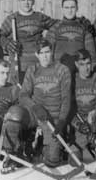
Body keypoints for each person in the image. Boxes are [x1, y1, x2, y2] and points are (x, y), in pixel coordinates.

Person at [19, 38, 72, 168]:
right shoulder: (32, 70)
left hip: (52, 119)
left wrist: (61, 121)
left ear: (52, 52)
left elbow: (66, 98)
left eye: (47, 52)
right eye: (41, 53)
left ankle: (43, 145)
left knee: (52, 161)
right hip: (36, 114)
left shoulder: (62, 70)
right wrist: (34, 106)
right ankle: (25, 141)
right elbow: (23, 95)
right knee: (15, 115)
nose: (45, 56)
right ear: (37, 54)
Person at [0, 0, 57, 84]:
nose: (26, 2)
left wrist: (78, 20)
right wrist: (7, 43)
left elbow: (57, 25)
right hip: (19, 64)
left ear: (33, 1)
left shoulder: (39, 17)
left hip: (37, 64)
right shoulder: (12, 18)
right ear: (19, 1)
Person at [46, 0, 96, 73]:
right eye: (66, 8)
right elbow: (48, 52)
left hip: (79, 71)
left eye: (72, 7)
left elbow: (91, 53)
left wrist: (92, 69)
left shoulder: (84, 28)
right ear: (62, 9)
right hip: (59, 71)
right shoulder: (54, 28)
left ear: (77, 8)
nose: (69, 10)